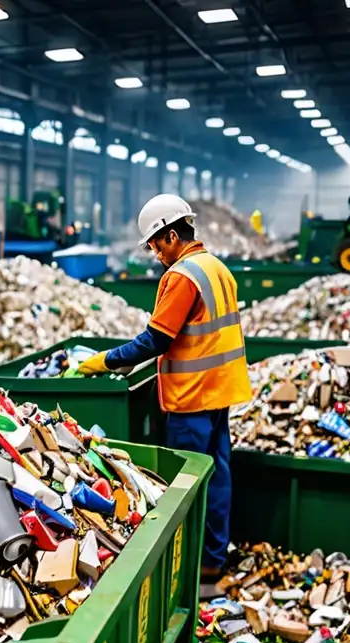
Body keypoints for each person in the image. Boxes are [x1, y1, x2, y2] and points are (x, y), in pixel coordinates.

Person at [77, 194, 252, 580]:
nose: (155, 254)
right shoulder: (216, 268)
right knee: (217, 477)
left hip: (191, 397)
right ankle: (211, 561)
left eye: (156, 244)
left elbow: (155, 340)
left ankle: (183, 568)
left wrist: (102, 360)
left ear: (172, 235)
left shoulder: (182, 277)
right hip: (219, 392)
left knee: (183, 488)